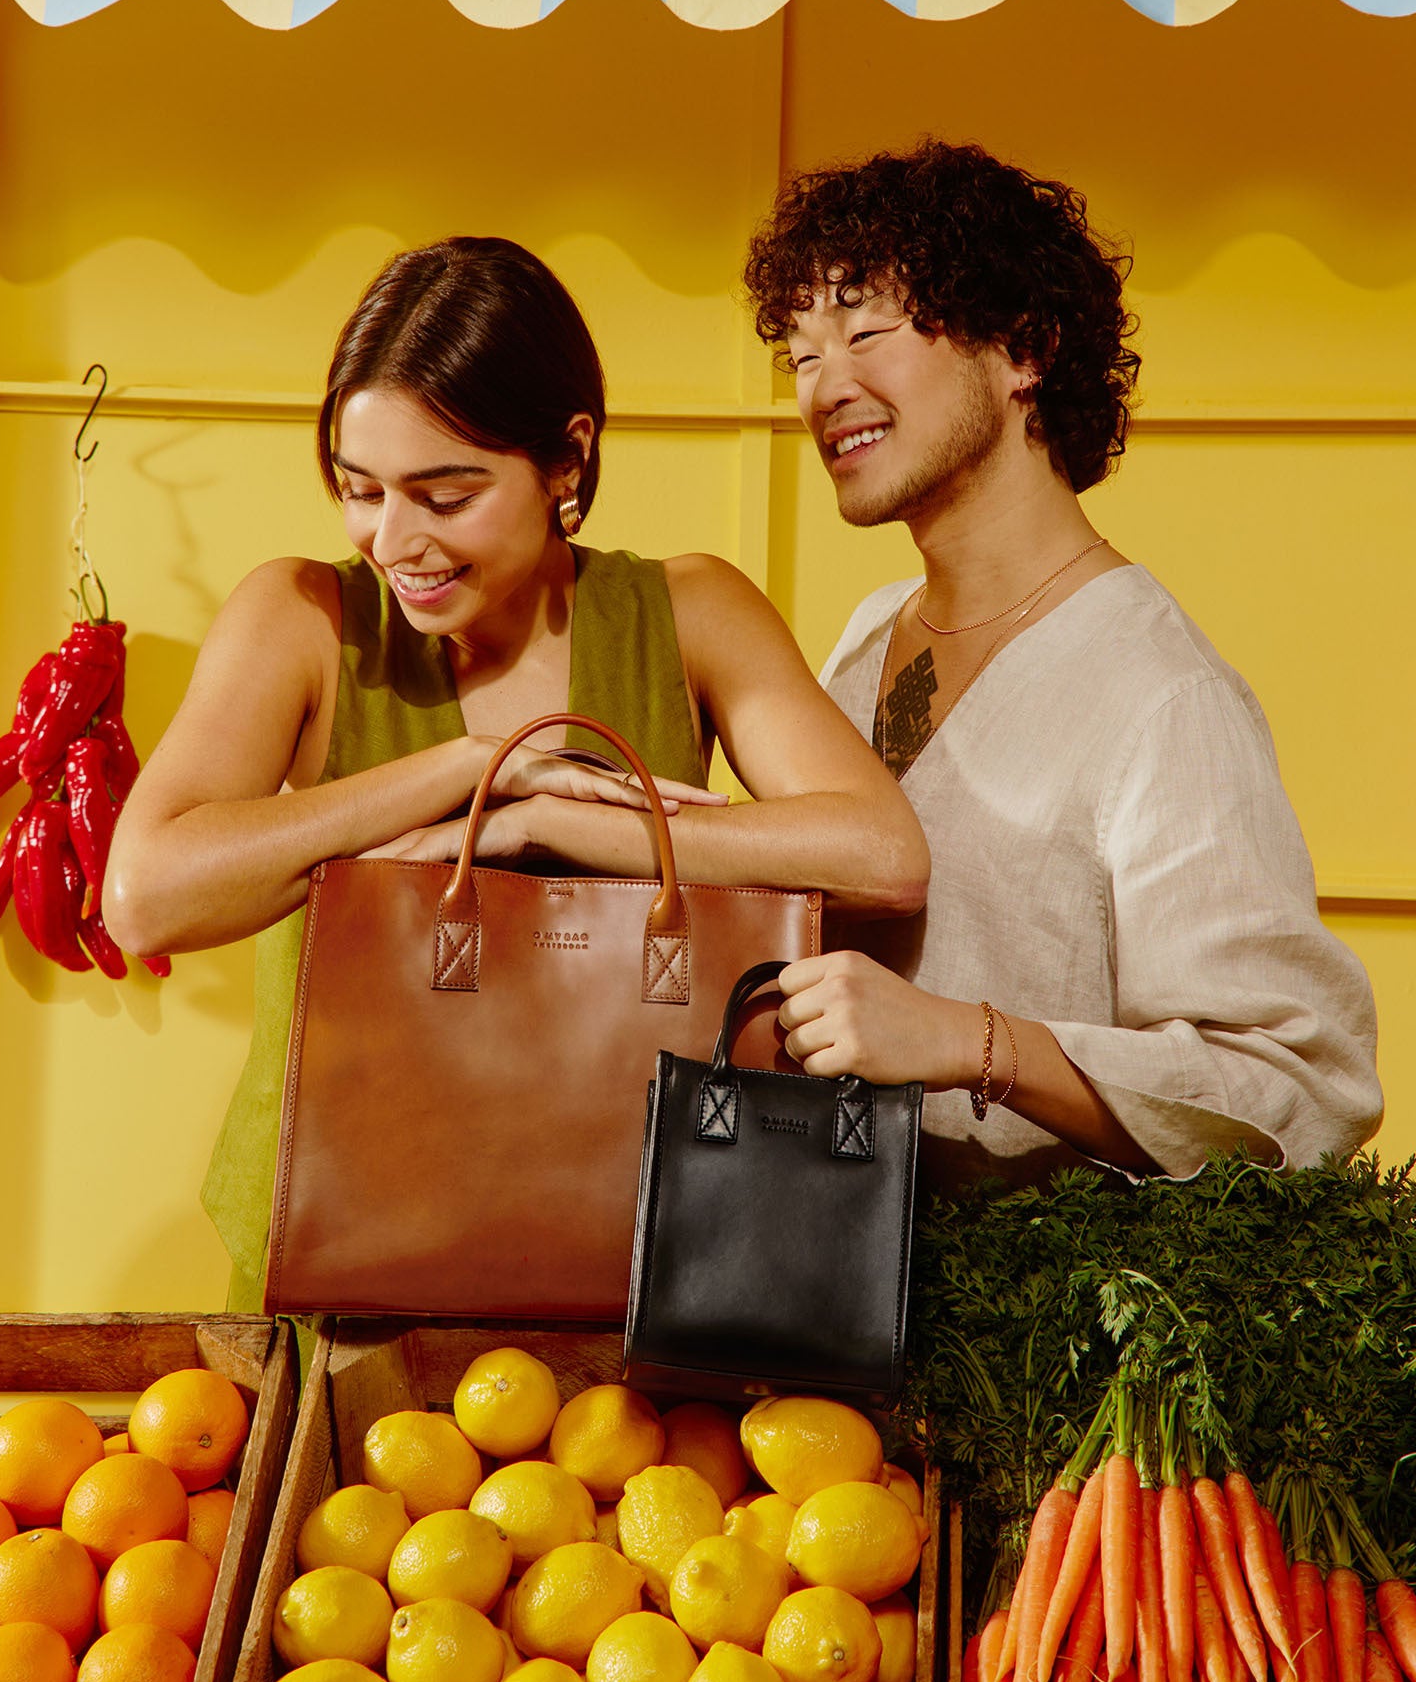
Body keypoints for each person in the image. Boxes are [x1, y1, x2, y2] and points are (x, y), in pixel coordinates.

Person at [104, 235, 930, 1306]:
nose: (392, 540)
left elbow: (883, 854)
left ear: (566, 458)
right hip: (343, 1257)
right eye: (360, 489)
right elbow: (146, 897)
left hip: (641, 1252)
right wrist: (471, 769)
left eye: (444, 497)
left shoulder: (688, 615)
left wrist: (552, 826)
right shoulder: (303, 619)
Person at [740, 138, 1382, 1186]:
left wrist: (968, 1041)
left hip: (1032, 1324)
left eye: (866, 332)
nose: (825, 388)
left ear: (1024, 348)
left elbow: (1299, 1086)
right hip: (828, 1285)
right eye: (804, 355)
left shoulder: (1162, 696)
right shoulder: (866, 634)